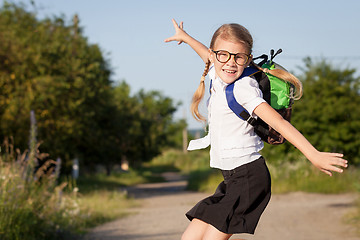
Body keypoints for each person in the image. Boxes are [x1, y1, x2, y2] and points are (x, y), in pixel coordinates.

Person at [164, 19, 348, 240]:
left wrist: (313, 155)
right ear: (215, 55)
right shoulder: (217, 73)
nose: (230, 63)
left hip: (249, 178)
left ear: (247, 59)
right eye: (223, 55)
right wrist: (185, 37)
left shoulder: (244, 89)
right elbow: (206, 54)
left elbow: (280, 124)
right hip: (232, 179)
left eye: (238, 57)